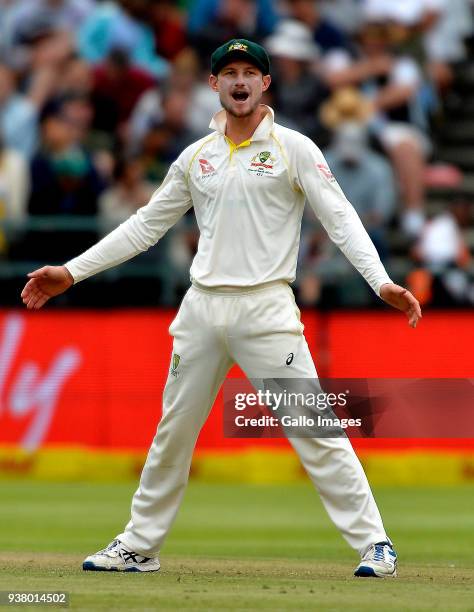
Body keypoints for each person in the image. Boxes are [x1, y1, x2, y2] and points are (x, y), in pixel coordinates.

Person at [20, 39, 421, 578]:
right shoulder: (196, 156)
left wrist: (381, 282)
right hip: (203, 310)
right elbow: (145, 226)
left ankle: (376, 544)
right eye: (229, 72)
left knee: (315, 429)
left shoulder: (293, 148)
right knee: (173, 433)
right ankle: (139, 546)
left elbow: (341, 218)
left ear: (265, 85)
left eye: (249, 73)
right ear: (214, 84)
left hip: (267, 311)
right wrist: (71, 272)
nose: (239, 81)